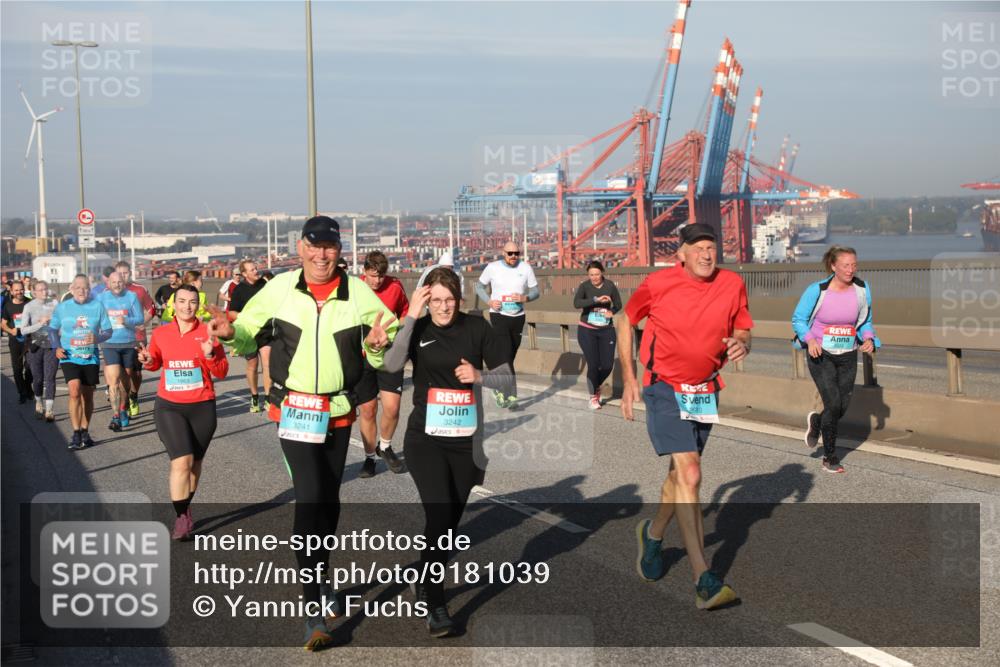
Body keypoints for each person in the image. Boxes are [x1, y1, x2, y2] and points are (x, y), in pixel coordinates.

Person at [210, 215, 398, 650]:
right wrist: (229, 332)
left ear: (339, 250)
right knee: (310, 495)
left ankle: (322, 577)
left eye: (329, 246)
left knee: (328, 502)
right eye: (314, 246)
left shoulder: (358, 292)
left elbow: (383, 344)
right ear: (300, 248)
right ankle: (313, 609)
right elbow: (246, 332)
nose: (322, 254)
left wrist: (375, 345)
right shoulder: (279, 289)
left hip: (337, 411)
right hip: (293, 410)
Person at [619, 223, 752, 610]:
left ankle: (653, 535)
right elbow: (626, 319)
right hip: (664, 387)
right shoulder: (659, 283)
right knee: (691, 474)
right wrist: (629, 379)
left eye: (711, 247)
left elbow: (743, 329)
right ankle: (703, 579)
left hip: (704, 390)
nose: (706, 254)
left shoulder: (732, 284)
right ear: (681, 254)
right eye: (698, 248)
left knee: (680, 477)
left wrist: (740, 345)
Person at [383, 268, 513, 637]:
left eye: (449, 300)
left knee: (448, 528)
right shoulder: (420, 328)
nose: (442, 307)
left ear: (459, 299)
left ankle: (423, 577)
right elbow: (391, 365)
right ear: (427, 299)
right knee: (439, 517)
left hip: (466, 443)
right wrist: (410, 315)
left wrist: (480, 377)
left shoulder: (478, 328)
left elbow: (508, 379)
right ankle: (436, 604)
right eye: (435, 300)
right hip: (426, 439)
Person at [138, 284, 228, 541]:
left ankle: (185, 506)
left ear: (198, 304)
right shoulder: (162, 332)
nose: (187, 306)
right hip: (170, 406)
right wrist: (147, 360)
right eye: (182, 301)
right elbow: (155, 362)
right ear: (172, 305)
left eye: (192, 301)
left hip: (202, 406)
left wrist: (210, 355)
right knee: (182, 462)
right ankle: (180, 517)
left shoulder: (207, 331)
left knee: (195, 465)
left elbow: (221, 370)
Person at [793, 245, 880, 474]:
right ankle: (830, 458)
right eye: (845, 265)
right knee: (832, 403)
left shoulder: (862, 289)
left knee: (842, 406)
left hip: (848, 353)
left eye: (854, 265)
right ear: (833, 266)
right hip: (820, 353)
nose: (851, 270)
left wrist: (869, 338)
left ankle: (817, 423)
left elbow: (865, 321)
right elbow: (799, 319)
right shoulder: (818, 290)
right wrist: (810, 340)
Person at [357, 250, 410, 477]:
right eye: (372, 275)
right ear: (364, 273)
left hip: (390, 355)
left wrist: (395, 326)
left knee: (392, 407)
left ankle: (385, 446)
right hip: (363, 357)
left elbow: (408, 314)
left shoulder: (395, 288)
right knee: (368, 410)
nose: (377, 281)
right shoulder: (354, 289)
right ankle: (369, 458)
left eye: (380, 276)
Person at [48, 274, 113, 450]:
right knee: (74, 390)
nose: (81, 291)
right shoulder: (63, 307)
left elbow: (108, 331)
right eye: (78, 288)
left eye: (85, 287)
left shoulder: (97, 306)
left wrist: (97, 337)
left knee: (87, 395)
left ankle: (85, 430)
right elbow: (52, 329)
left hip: (89, 357)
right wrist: (56, 347)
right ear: (72, 289)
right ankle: (76, 433)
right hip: (69, 355)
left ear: (89, 290)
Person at [475, 241, 539, 408]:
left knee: (510, 355)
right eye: (510, 253)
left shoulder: (525, 268)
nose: (513, 257)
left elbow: (535, 291)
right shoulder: (493, 267)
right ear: (503, 253)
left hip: (518, 318)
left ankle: (499, 386)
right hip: (499, 316)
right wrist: (489, 302)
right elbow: (479, 287)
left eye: (516, 253)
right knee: (504, 355)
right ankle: (511, 395)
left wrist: (526, 298)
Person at [98, 272, 145, 431]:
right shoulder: (102, 298)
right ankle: (116, 415)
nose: (117, 284)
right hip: (109, 343)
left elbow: (139, 319)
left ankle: (123, 408)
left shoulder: (131, 297)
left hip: (128, 343)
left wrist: (126, 321)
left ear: (123, 282)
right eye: (113, 282)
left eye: (119, 281)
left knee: (126, 379)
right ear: (108, 283)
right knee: (114, 380)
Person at [573, 260, 622, 410]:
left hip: (606, 329)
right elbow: (576, 303)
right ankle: (593, 396)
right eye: (591, 275)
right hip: (587, 330)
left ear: (602, 273)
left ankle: (596, 385)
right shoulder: (584, 286)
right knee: (594, 364)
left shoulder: (610, 286)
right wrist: (595, 300)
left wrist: (611, 311)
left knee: (607, 365)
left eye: (597, 274)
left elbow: (618, 304)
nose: (594, 277)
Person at [115, 261, 157, 419]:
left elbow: (151, 309)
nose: (122, 276)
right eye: (120, 273)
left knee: (135, 373)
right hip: (116, 339)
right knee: (122, 373)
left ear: (130, 273)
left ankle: (133, 394)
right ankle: (123, 407)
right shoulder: (108, 291)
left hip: (137, 338)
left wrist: (142, 322)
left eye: (125, 273)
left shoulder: (139, 290)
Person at [227, 260, 268, 413]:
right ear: (244, 274)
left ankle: (269, 398)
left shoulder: (264, 285)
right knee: (253, 365)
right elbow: (231, 312)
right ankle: (255, 396)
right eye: (252, 269)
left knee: (267, 362)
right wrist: (247, 318)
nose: (256, 271)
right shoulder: (239, 290)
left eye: (256, 268)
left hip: (266, 330)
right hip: (249, 332)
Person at [20, 280, 60, 421]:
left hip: (51, 345)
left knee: (50, 377)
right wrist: (40, 323)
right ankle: (38, 401)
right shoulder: (29, 307)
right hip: (35, 346)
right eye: (40, 290)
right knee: (37, 379)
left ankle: (49, 410)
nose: (44, 292)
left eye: (45, 289)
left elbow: (62, 322)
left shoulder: (54, 304)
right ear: (34, 292)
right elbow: (23, 330)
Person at [2, 280, 34, 403]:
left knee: (30, 367)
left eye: (21, 289)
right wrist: (11, 331)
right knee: (17, 369)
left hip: (29, 340)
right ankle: (22, 392)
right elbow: (3, 324)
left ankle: (27, 386)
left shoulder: (30, 303)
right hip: (15, 341)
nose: (19, 292)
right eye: (16, 290)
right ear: (12, 291)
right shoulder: (8, 306)